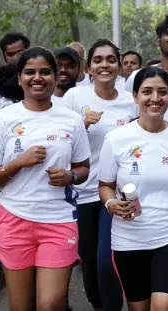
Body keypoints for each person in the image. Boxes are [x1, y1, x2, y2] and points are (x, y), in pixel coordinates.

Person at [0, 47, 91, 311]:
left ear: (55, 76)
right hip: (14, 219)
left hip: (58, 221)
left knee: (50, 304)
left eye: (45, 72)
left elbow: (83, 169)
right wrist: (18, 163)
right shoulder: (3, 119)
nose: (37, 78)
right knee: (20, 306)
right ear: (19, 78)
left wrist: (70, 176)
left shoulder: (72, 120)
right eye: (30, 72)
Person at [98, 66, 168, 311]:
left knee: (163, 307)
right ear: (135, 96)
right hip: (128, 239)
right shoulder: (117, 139)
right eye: (147, 91)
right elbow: (105, 186)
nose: (155, 98)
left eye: (162, 92)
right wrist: (111, 204)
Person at [60, 38, 138, 311]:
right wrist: (82, 124)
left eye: (110, 60)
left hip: (112, 192)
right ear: (89, 68)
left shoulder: (131, 101)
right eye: (98, 60)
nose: (105, 65)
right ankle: (98, 304)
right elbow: (59, 142)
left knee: (107, 258)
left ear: (119, 66)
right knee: (88, 259)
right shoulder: (74, 97)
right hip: (80, 192)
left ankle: (113, 306)